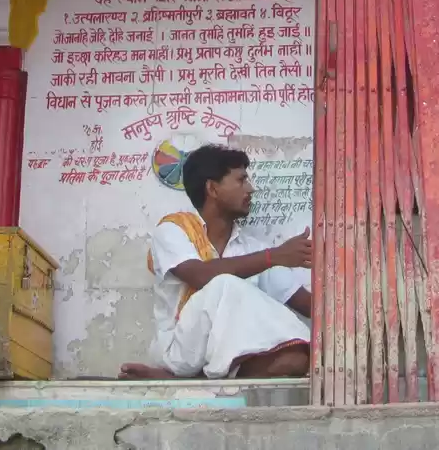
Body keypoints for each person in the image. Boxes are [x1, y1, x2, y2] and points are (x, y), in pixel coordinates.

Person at [119, 144, 312, 380]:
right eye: (241, 180)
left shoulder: (253, 249)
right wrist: (273, 257)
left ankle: (203, 381)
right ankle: (188, 376)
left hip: (225, 359)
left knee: (295, 360)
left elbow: (306, 304)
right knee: (225, 284)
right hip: (178, 352)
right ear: (212, 188)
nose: (251, 189)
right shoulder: (172, 230)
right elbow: (200, 276)